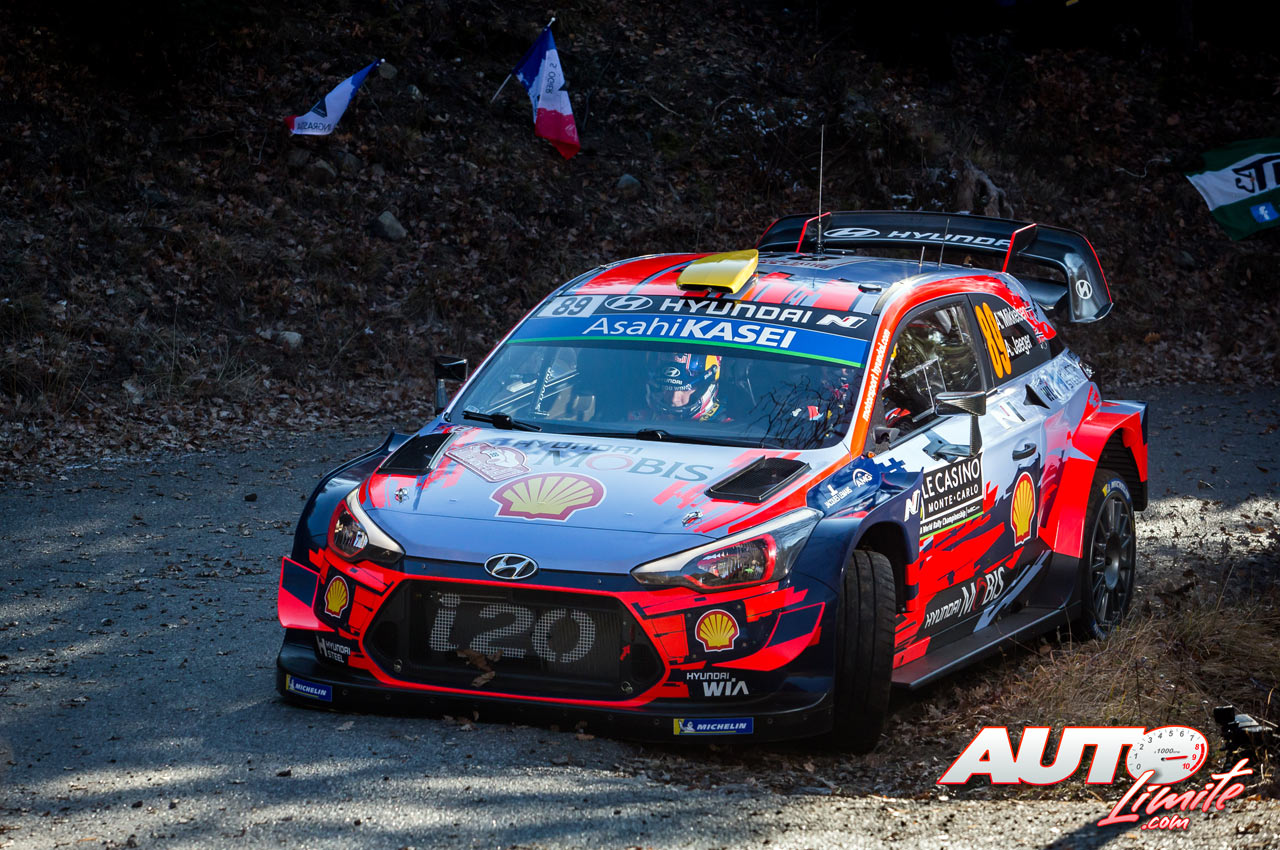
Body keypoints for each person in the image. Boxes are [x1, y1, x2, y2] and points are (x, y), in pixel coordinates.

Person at [641, 351, 726, 421]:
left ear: (706, 386)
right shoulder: (639, 422)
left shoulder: (725, 429)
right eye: (667, 387)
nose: (674, 399)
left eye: (685, 390)